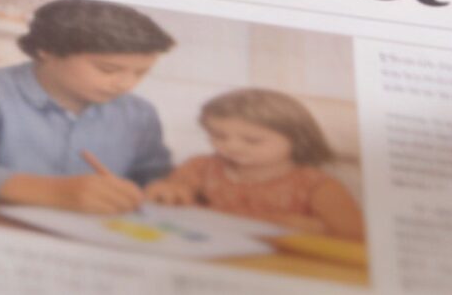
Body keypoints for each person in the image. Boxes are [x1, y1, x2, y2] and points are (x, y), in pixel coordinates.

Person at [0, 0, 177, 208]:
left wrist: (168, 188)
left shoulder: (139, 113)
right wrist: (47, 191)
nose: (126, 84)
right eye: (108, 69)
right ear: (46, 50)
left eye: (141, 73)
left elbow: (155, 175)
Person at [145, 87, 367, 240]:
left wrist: (317, 229)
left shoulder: (316, 185)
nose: (232, 147)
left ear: (298, 138)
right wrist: (166, 192)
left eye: (252, 140)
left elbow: (354, 236)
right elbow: (170, 193)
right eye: (218, 136)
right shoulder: (201, 166)